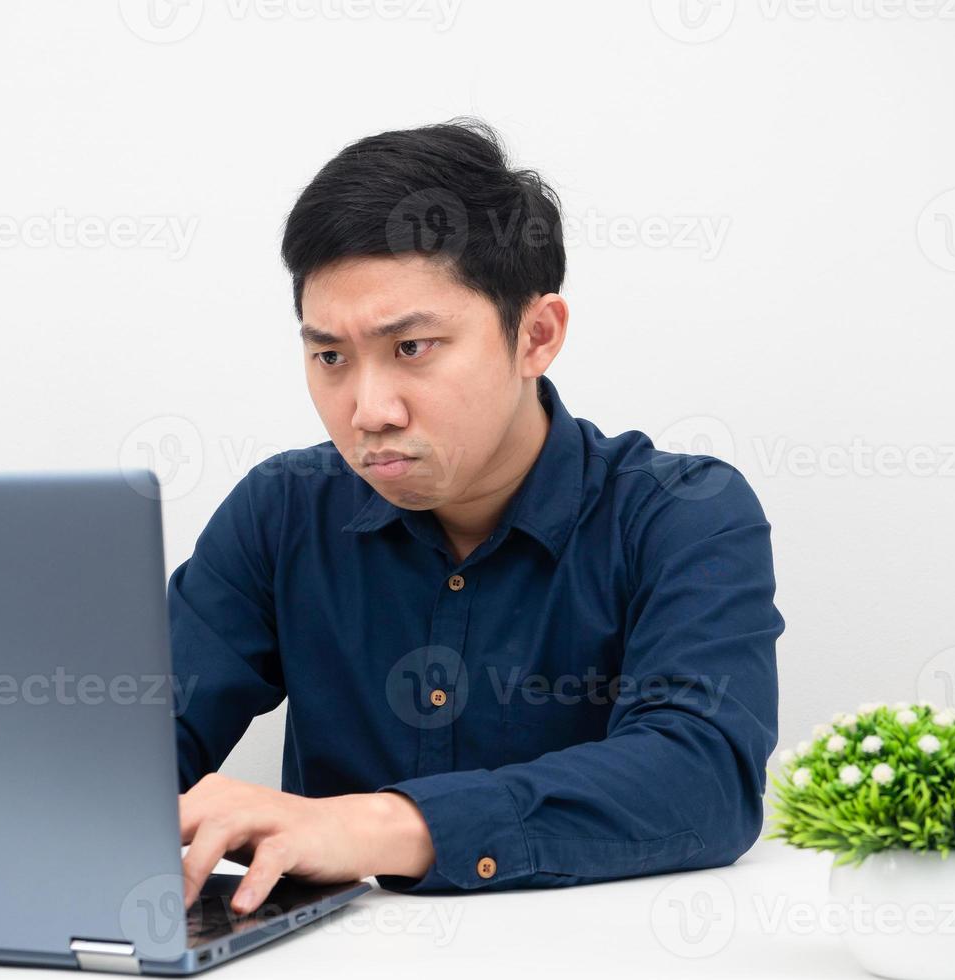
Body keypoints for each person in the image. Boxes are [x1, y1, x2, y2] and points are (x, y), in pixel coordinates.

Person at [169, 118, 783, 915]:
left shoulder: (683, 514)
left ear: (536, 334)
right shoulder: (280, 510)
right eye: (329, 357)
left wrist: (374, 826)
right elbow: (140, 742)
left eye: (412, 348)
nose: (368, 410)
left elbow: (702, 775)